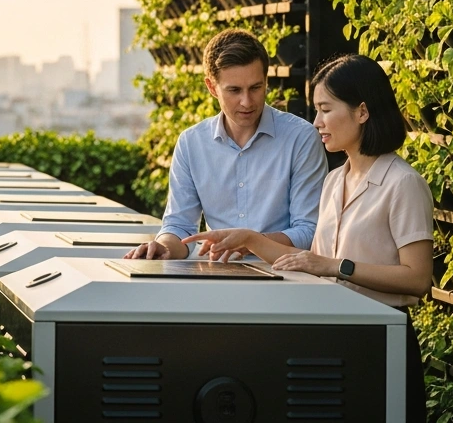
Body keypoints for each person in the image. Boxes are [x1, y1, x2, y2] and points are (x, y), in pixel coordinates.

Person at [184, 53, 431, 423]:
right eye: (317, 111)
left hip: (381, 340)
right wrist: (248, 239)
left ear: (362, 111)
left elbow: (417, 278)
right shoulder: (335, 180)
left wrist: (335, 266)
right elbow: (307, 263)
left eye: (325, 110)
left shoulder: (403, 183)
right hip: (331, 340)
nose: (317, 122)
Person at [125, 28, 328, 261]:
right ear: (212, 87)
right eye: (234, 90)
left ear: (266, 82)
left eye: (256, 88)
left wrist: (251, 242)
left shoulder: (301, 138)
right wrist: (164, 247)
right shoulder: (191, 143)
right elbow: (180, 225)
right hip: (216, 273)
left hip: (285, 272)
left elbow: (309, 231)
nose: (247, 102)